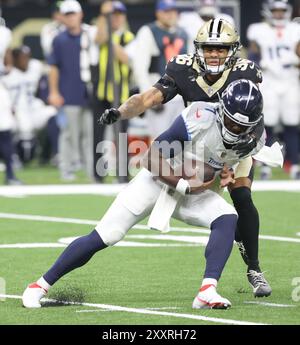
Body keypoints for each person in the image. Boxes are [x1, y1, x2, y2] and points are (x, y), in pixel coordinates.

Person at [22, 79, 265, 309]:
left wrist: (224, 174)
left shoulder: (254, 140)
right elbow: (150, 157)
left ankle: (207, 290)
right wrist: (184, 184)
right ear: (222, 111)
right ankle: (39, 285)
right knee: (107, 234)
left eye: (242, 126)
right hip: (158, 179)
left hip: (193, 189)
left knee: (226, 217)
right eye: (232, 122)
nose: (236, 129)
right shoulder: (199, 116)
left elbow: (223, 163)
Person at [99, 18, 272, 297]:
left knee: (241, 197)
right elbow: (147, 99)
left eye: (221, 49)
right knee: (214, 211)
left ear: (232, 50)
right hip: (197, 150)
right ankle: (211, 281)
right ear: (198, 49)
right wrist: (121, 112)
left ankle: (254, 268)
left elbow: (257, 114)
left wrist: (249, 143)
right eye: (209, 48)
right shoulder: (183, 69)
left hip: (236, 146)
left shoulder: (245, 72)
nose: (214, 54)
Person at [247, 0, 300, 180]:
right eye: (275, 10)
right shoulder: (258, 29)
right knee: (267, 123)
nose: (278, 14)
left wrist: (295, 60)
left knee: (291, 122)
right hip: (268, 80)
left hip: (290, 79)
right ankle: (265, 164)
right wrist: (261, 64)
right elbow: (253, 55)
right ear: (268, 11)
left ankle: (294, 164)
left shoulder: (295, 29)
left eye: (281, 10)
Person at [48, 0, 96, 181]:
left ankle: (92, 172)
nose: (70, 18)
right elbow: (53, 67)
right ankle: (66, 170)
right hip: (68, 93)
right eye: (67, 14)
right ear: (62, 17)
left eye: (73, 14)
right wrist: (54, 92)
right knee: (68, 134)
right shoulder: (59, 39)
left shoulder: (91, 35)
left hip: (90, 93)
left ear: (80, 14)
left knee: (90, 135)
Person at [129, 0, 188, 140]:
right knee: (159, 141)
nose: (170, 15)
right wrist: (148, 97)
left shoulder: (183, 33)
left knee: (180, 142)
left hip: (180, 97)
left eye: (173, 11)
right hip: (159, 93)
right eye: (166, 11)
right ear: (158, 13)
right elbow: (140, 68)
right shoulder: (148, 31)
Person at [93, 0, 134, 183]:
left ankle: (123, 174)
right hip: (103, 91)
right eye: (112, 15)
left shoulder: (128, 37)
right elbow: (98, 39)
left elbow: (126, 58)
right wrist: (103, 16)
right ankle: (97, 174)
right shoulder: (102, 34)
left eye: (118, 15)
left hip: (121, 92)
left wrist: (111, 37)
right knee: (98, 133)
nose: (115, 19)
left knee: (122, 135)